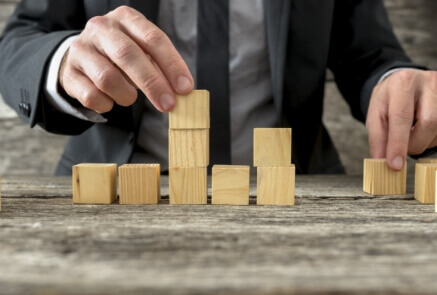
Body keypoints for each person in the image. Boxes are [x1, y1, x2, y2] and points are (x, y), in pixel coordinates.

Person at [0, 0, 436, 175]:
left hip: (295, 194)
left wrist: (398, 84)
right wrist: (64, 62)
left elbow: (371, 56)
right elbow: (18, 43)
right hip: (120, 190)